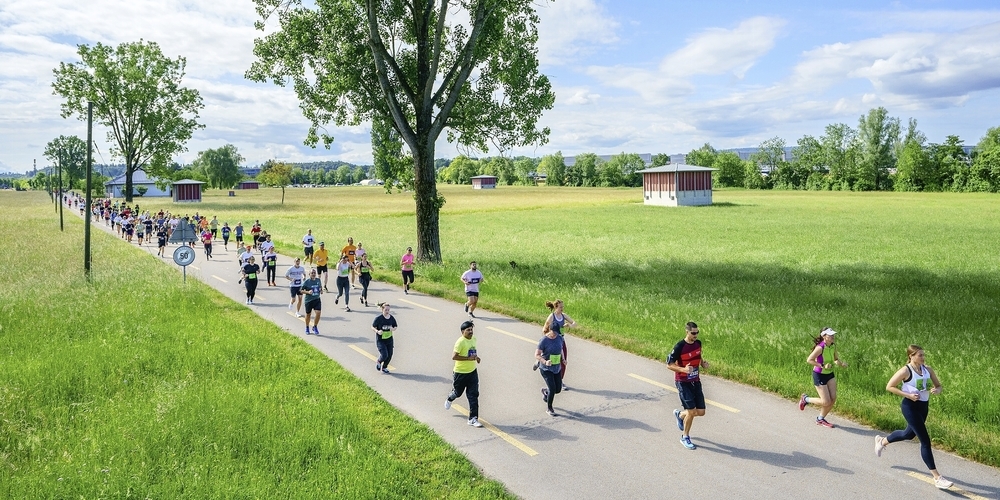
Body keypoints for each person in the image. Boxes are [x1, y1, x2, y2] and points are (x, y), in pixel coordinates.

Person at [875, 345, 952, 490]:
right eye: (920, 355)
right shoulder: (905, 371)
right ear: (911, 356)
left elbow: (939, 385)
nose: (923, 358)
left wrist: (937, 390)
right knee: (925, 440)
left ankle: (882, 441)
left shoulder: (927, 370)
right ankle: (937, 478)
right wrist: (908, 395)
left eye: (923, 355)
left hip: (923, 407)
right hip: (909, 407)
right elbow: (889, 386)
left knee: (908, 434)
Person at [667, 322, 711, 450]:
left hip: (695, 381)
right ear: (687, 332)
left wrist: (703, 364)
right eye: (693, 333)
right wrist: (683, 370)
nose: (695, 335)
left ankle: (680, 415)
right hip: (683, 382)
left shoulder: (698, 343)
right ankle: (685, 437)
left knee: (701, 412)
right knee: (691, 412)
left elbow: (698, 354)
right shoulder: (679, 346)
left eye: (697, 332)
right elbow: (669, 365)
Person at [798, 327, 847, 428]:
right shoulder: (820, 348)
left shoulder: (833, 346)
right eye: (830, 335)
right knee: (826, 401)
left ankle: (820, 419)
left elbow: (835, 359)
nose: (833, 336)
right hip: (819, 374)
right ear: (824, 336)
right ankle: (805, 399)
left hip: (829, 374)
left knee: (833, 399)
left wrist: (840, 363)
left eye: (833, 334)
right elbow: (809, 360)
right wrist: (822, 365)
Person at [444, 321, 483, 427]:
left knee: (473, 395)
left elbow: (472, 351)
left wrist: (476, 357)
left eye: (471, 329)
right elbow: (454, 357)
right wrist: (468, 359)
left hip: (472, 372)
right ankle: (450, 398)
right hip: (460, 373)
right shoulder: (460, 342)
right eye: (468, 330)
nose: (471, 332)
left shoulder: (474, 339)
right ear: (462, 332)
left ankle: (473, 418)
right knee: (458, 393)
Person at [537, 300, 577, 391]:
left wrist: (569, 325)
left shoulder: (564, 316)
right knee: (553, 360)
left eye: (563, 307)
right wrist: (547, 339)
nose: (562, 308)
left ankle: (560, 380)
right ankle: (540, 361)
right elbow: (544, 329)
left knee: (563, 361)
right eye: (560, 307)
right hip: (552, 341)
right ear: (556, 307)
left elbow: (575, 323)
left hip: (561, 341)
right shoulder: (552, 317)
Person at [536, 322, 566, 417]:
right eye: (554, 332)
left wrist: (563, 359)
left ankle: (546, 392)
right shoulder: (544, 340)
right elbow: (537, 355)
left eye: (557, 332)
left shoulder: (559, 338)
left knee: (558, 389)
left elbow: (560, 349)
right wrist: (545, 362)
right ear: (550, 330)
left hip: (556, 367)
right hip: (546, 368)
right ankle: (549, 408)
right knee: (552, 389)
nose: (556, 334)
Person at [372, 303, 398, 374]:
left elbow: (395, 326)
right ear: (382, 310)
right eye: (386, 310)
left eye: (388, 310)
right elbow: (372, 326)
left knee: (390, 355)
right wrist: (377, 331)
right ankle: (379, 361)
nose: (387, 311)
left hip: (389, 339)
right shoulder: (378, 318)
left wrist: (393, 329)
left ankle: (384, 367)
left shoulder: (391, 318)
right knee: (384, 355)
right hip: (381, 340)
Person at [301, 269, 323, 335]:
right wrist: (308, 292)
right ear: (309, 274)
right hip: (309, 300)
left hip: (317, 299)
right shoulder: (307, 282)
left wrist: (321, 290)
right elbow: (301, 291)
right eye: (312, 273)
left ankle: (315, 326)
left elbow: (320, 287)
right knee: (308, 314)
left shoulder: (318, 280)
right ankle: (307, 327)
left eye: (314, 273)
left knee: (318, 313)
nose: (313, 274)